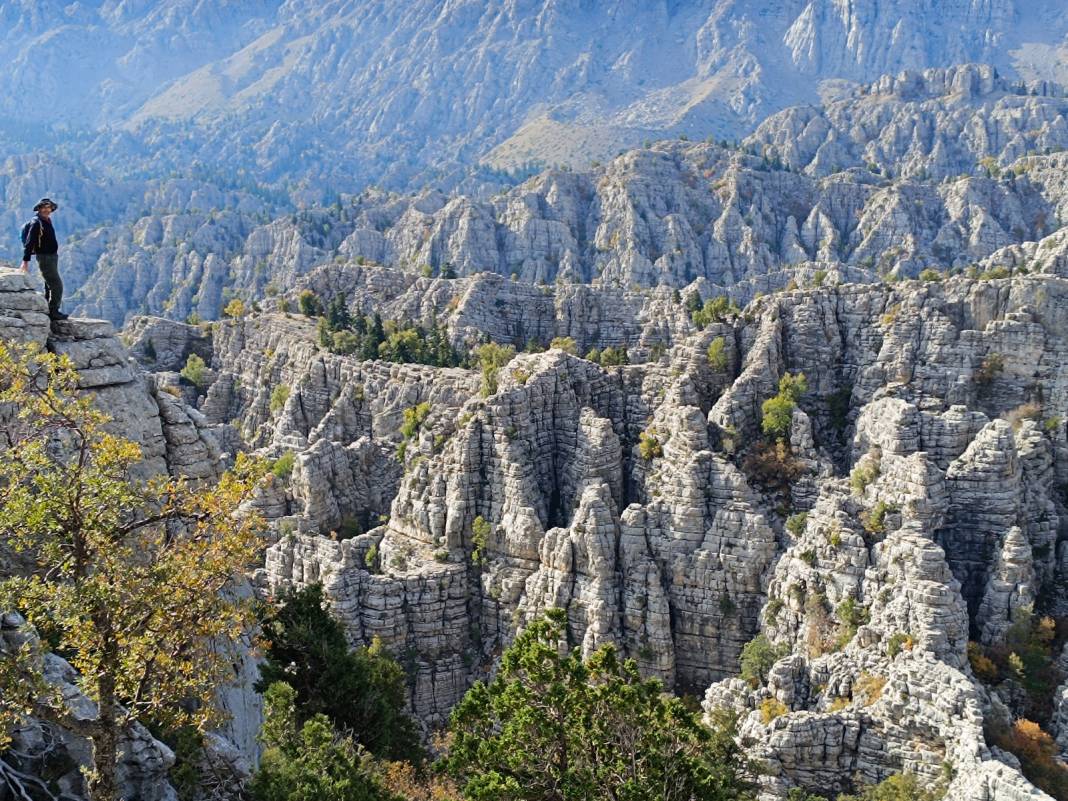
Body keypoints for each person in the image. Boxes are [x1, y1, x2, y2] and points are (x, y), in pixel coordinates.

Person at [20, 198, 67, 321]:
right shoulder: (37, 223)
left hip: (51, 257)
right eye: (44, 207)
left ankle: (47, 308)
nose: (47, 209)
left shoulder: (46, 220)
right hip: (45, 257)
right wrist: (25, 260)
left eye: (49, 207)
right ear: (39, 209)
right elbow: (30, 242)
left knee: (49, 284)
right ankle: (53, 311)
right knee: (57, 285)